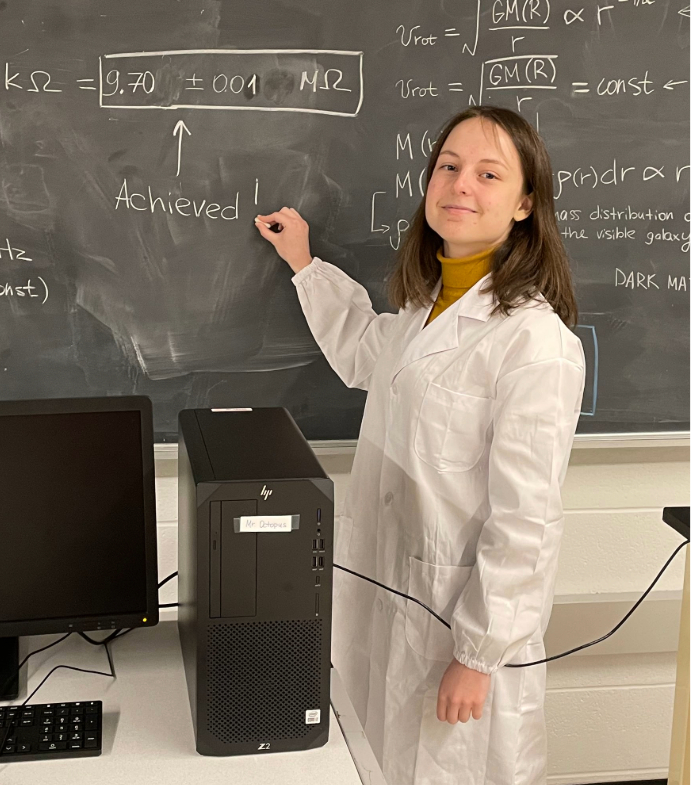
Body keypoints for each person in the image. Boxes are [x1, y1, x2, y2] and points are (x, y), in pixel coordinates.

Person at [255, 106, 586, 785]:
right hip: (385, 596)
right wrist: (303, 263)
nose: (461, 184)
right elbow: (362, 352)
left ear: (525, 203)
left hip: (457, 625)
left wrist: (478, 651)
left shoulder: (535, 343)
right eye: (448, 166)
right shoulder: (421, 307)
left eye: (487, 174)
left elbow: (524, 519)